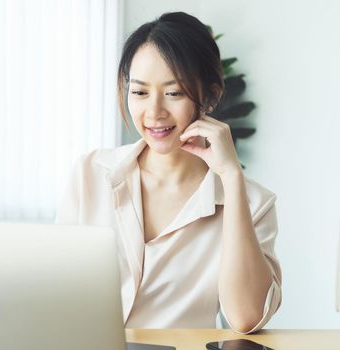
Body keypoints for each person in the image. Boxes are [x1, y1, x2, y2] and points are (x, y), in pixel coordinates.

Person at [55, 11, 282, 334]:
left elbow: (246, 317)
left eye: (174, 93)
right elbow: (56, 290)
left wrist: (231, 179)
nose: (154, 112)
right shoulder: (91, 174)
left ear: (211, 96)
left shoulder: (254, 203)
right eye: (139, 92)